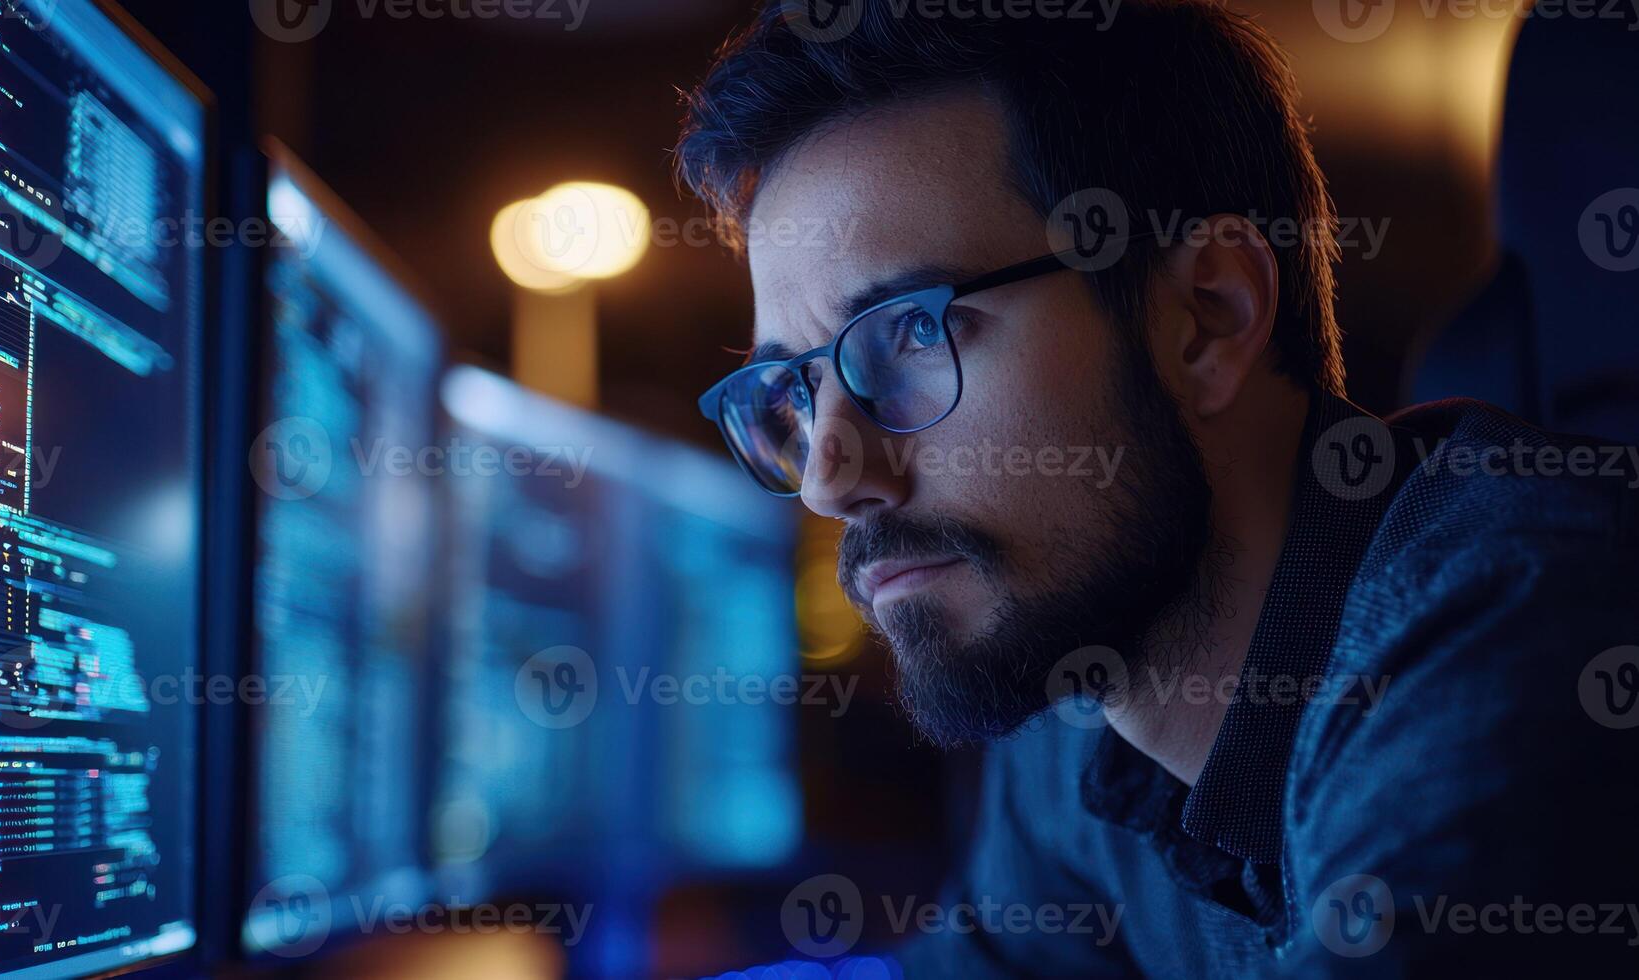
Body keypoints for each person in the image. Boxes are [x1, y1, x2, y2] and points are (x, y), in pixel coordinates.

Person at [675, 1, 1639, 973]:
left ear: (1207, 317)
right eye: (798, 388)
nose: (829, 482)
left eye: (913, 334)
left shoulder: (1513, 630)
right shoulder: (1078, 701)